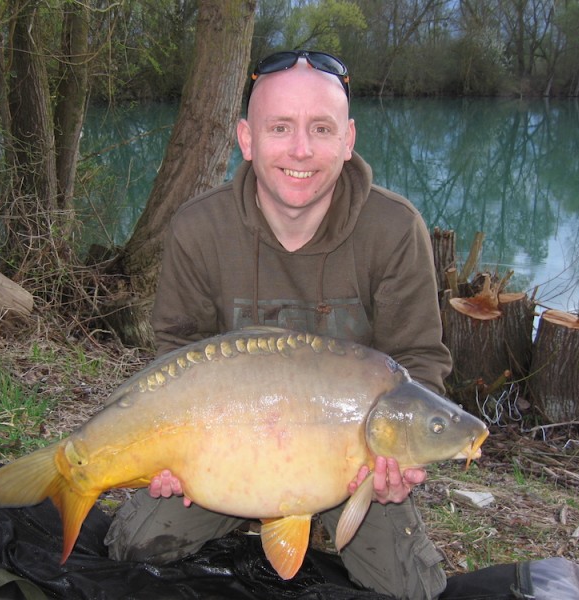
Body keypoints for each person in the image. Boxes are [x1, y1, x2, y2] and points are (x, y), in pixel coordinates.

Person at [105, 50, 453, 600]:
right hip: (227, 455)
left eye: (321, 128)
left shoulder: (395, 229)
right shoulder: (199, 227)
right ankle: (261, 518)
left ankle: (316, 522)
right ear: (246, 138)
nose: (300, 149)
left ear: (348, 138)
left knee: (415, 591)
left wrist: (398, 457)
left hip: (351, 461)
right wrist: (169, 455)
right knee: (132, 547)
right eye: (280, 128)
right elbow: (175, 355)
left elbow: (420, 363)